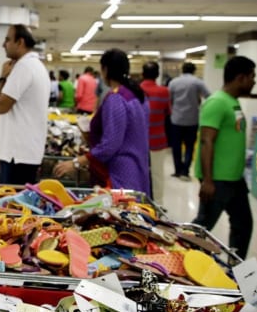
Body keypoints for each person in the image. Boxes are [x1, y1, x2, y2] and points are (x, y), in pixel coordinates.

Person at [53, 49, 150, 194]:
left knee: (121, 211)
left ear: (105, 70)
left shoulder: (116, 99)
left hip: (120, 174)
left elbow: (110, 145)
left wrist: (76, 162)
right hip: (138, 167)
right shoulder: (137, 96)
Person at [192, 56, 256, 260]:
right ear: (240, 78)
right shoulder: (217, 103)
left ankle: (237, 270)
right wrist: (208, 180)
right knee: (201, 229)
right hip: (218, 180)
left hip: (235, 179)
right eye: (252, 77)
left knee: (243, 225)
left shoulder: (232, 102)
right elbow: (206, 141)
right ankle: (181, 262)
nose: (254, 81)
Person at [0, 24, 50, 184]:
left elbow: (1, 106)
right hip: (27, 152)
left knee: (12, 206)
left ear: (20, 42)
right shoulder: (37, 66)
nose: (3, 44)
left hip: (16, 155)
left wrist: (2, 78)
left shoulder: (23, 67)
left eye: (7, 40)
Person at [169, 62, 210, 180]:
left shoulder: (174, 82)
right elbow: (209, 96)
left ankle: (177, 170)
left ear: (182, 70)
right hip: (192, 120)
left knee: (176, 146)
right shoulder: (198, 82)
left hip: (176, 119)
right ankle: (185, 171)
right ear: (194, 71)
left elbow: (170, 100)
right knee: (189, 146)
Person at [140, 61, 171, 204]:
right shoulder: (164, 91)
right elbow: (167, 113)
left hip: (139, 140)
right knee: (158, 174)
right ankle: (159, 204)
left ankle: (140, 202)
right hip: (158, 139)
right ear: (157, 75)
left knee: (141, 173)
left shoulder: (137, 90)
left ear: (142, 74)